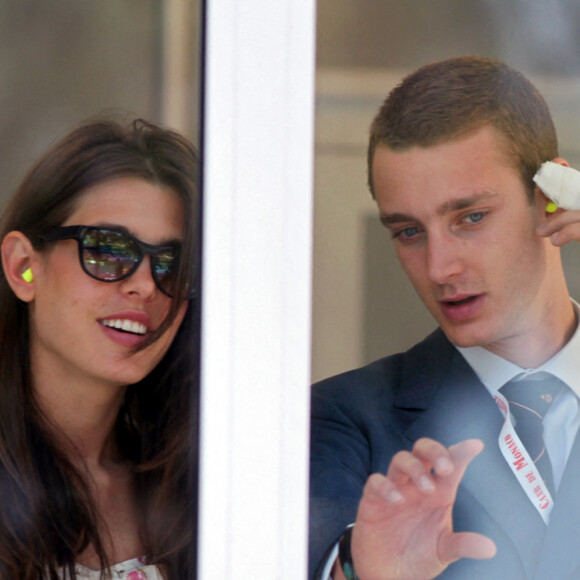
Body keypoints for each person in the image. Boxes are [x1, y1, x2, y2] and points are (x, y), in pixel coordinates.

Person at [310, 55, 580, 580]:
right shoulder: (340, 419)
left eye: (471, 217)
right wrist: (358, 570)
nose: (439, 267)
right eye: (409, 231)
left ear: (553, 198)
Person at [0, 118, 199, 579]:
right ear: (24, 267)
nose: (146, 285)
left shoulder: (196, 484)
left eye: (172, 264)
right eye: (108, 250)